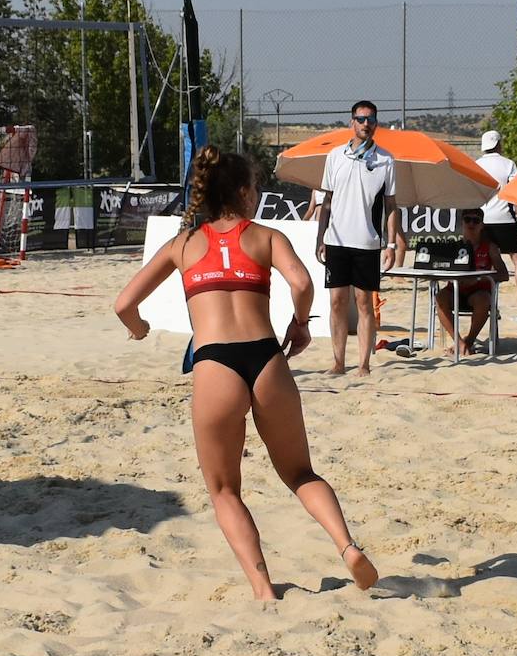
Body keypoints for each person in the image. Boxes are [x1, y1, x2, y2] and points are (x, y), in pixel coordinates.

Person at [114, 145, 379, 599]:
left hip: (216, 362)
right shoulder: (265, 236)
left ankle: (262, 588)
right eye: (255, 187)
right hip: (265, 358)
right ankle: (347, 546)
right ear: (240, 192)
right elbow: (302, 283)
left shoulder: (181, 245)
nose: (258, 194)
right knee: (300, 473)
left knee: (224, 489)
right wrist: (298, 325)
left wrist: (139, 329)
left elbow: (123, 304)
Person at [315, 100, 399, 376]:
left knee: (365, 304)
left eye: (371, 119)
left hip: (367, 242)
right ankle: (338, 362)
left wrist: (391, 243)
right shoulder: (336, 156)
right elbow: (326, 202)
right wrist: (320, 238)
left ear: (376, 123)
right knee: (337, 302)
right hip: (336, 240)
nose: (366, 124)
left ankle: (363, 364)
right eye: (361, 119)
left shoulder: (385, 159)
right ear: (352, 122)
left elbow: (391, 206)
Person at [476, 130, 517, 321]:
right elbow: (516, 197)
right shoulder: (508, 164)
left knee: (488, 264)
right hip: (505, 219)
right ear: (499, 144)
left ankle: (491, 306)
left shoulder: (476, 165)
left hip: (483, 220)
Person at [434, 208, 509, 356]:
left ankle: (468, 341)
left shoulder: (490, 247)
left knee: (483, 299)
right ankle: (459, 342)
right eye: (468, 219)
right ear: (462, 223)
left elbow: (504, 274)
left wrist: (478, 279)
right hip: (456, 289)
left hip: (478, 291)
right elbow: (441, 269)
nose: (471, 223)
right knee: (440, 297)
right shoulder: (454, 246)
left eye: (476, 220)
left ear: (482, 225)